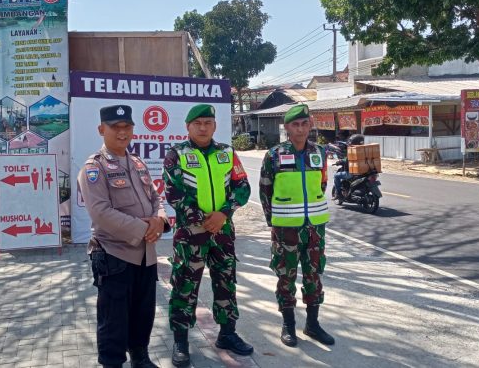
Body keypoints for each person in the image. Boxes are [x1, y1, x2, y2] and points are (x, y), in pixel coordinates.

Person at [77, 104, 171, 368]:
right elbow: (101, 213)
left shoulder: (138, 163)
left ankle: (140, 357)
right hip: (114, 255)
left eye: (127, 127)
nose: (122, 133)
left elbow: (155, 198)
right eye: (115, 127)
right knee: (113, 319)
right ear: (101, 129)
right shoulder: (94, 167)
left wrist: (160, 220)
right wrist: (145, 229)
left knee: (143, 314)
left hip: (146, 256)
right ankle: (112, 363)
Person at [163, 104, 252, 367]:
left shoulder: (227, 152)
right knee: (184, 285)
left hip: (223, 231)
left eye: (208, 123)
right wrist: (204, 220)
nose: (203, 127)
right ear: (188, 126)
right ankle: (181, 340)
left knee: (226, 281)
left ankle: (227, 333)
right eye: (197, 123)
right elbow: (174, 194)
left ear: (214, 126)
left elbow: (243, 186)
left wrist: (223, 214)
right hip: (191, 234)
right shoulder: (176, 154)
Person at [259, 103, 336, 347]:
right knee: (286, 276)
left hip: (314, 228)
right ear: (287, 127)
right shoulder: (274, 155)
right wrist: (273, 221)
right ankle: (288, 325)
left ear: (310, 125)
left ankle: (313, 325)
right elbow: (265, 190)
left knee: (314, 274)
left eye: (304, 124)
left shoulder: (320, 152)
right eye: (295, 124)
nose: (300, 129)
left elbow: (322, 184)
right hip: (285, 229)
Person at [332, 134, 365, 200]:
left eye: (350, 143)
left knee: (336, 176)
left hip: (351, 173)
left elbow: (347, 161)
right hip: (363, 172)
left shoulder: (353, 151)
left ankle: (339, 194)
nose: (349, 144)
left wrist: (340, 162)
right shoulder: (363, 150)